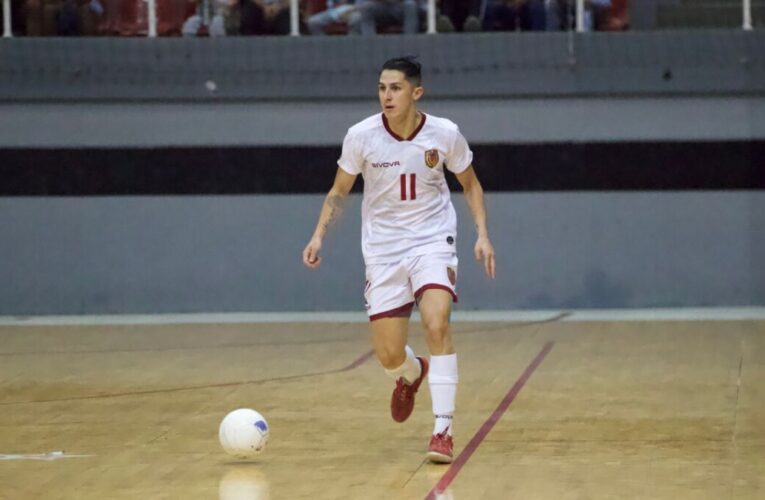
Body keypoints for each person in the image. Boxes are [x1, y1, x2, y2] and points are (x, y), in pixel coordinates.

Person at [302, 56, 496, 464]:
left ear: (415, 93)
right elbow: (339, 192)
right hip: (384, 249)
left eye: (394, 88)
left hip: (432, 240)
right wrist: (319, 234)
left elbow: (471, 184)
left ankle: (443, 428)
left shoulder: (444, 133)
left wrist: (482, 234)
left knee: (436, 320)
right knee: (389, 354)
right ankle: (411, 373)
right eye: (381, 88)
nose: (386, 96)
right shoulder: (361, 136)